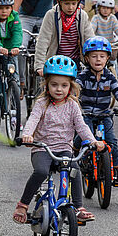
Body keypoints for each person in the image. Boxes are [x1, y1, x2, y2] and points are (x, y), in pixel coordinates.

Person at [13, 56, 104, 225]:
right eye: (54, 84)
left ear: (71, 86)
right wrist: (27, 135)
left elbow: (81, 126)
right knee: (41, 172)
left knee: (74, 169)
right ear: (46, 84)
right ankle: (23, 205)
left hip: (64, 149)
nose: (59, 89)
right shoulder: (41, 103)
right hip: (42, 149)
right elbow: (32, 120)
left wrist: (93, 141)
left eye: (64, 85)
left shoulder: (72, 105)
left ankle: (78, 208)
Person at [77, 37, 118, 185]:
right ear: (87, 58)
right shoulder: (83, 76)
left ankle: (116, 168)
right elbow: (74, 90)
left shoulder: (109, 76)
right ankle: (79, 155)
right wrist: (72, 100)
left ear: (108, 58)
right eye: (94, 56)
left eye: (102, 56)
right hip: (87, 113)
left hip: (104, 113)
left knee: (112, 141)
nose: (98, 60)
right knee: (86, 137)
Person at [34, 0, 95, 73]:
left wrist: (93, 62)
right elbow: (43, 41)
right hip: (55, 61)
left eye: (74, 3)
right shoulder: (51, 15)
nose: (70, 7)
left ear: (78, 2)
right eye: (67, 3)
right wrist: (39, 66)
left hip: (75, 61)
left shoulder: (82, 15)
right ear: (59, 2)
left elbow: (90, 40)